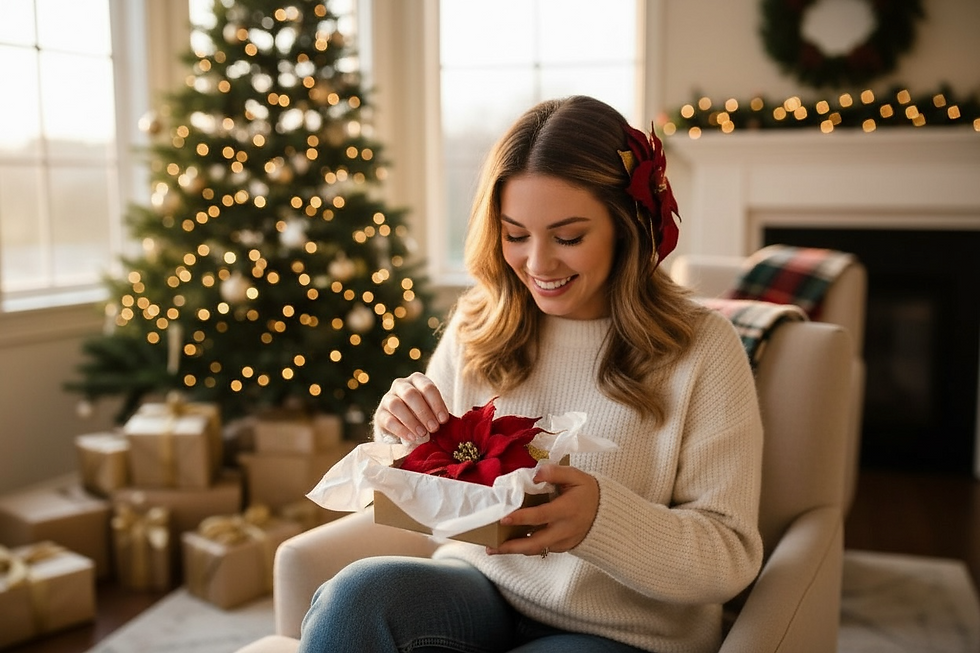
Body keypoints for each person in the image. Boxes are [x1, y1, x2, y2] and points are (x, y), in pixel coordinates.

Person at [298, 95, 764, 653]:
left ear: (627, 227)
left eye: (568, 237)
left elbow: (730, 556)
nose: (538, 265)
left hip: (623, 634)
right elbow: (418, 496)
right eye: (515, 234)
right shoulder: (479, 322)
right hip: (481, 591)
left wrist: (601, 522)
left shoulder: (702, 349)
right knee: (355, 600)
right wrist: (400, 436)